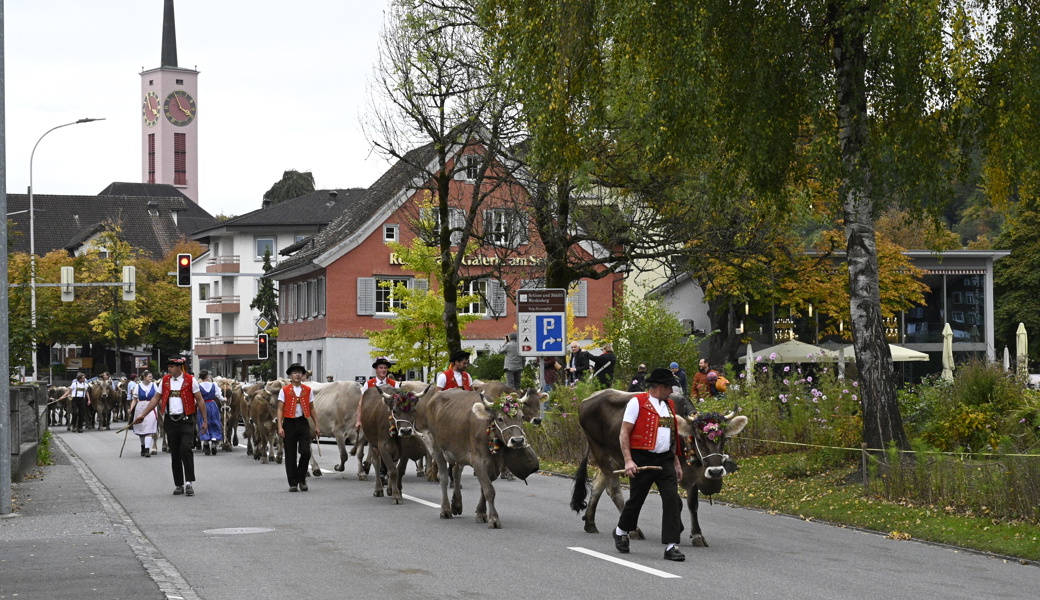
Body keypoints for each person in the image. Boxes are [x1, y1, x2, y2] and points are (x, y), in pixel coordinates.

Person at [613, 367, 685, 562]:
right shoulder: (637, 402)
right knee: (637, 500)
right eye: (669, 387)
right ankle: (621, 530)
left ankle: (671, 545)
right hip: (642, 457)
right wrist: (628, 460)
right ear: (660, 387)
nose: (671, 391)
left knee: (672, 499)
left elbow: (672, 436)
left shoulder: (669, 405)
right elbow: (624, 433)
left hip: (665, 459)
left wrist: (676, 462)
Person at [134, 356, 207, 496]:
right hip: (170, 421)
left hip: (186, 420)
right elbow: (156, 398)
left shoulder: (190, 380)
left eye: (172, 366)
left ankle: (189, 482)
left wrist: (204, 421)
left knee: (185, 448)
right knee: (175, 453)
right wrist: (143, 414)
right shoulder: (165, 380)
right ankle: (179, 484)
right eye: (168, 366)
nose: (169, 369)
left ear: (179, 367)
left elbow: (200, 400)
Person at [278, 363, 320, 492]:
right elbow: (280, 409)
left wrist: (317, 425)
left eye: (299, 373)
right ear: (290, 375)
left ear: (303, 376)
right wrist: (280, 426)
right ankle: (293, 483)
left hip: (303, 422)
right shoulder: (284, 390)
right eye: (295, 372)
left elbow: (312, 408)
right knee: (290, 454)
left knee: (306, 452)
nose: (297, 375)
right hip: (289, 423)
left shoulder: (308, 390)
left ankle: (301, 478)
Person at [356, 357, 401, 430]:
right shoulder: (368, 384)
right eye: (381, 368)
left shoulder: (394, 384)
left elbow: (399, 404)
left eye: (385, 368)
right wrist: (358, 421)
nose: (383, 370)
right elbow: (361, 403)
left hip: (389, 421)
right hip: (371, 419)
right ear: (376, 369)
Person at [129, 371, 158, 457]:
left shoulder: (154, 385)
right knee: (141, 429)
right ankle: (143, 446)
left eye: (151, 376)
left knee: (149, 428)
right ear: (144, 377)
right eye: (149, 376)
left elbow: (158, 397)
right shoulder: (138, 386)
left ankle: (147, 449)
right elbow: (135, 399)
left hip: (151, 407)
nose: (151, 378)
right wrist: (131, 408)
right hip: (140, 408)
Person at [197, 370, 225, 456]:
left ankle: (206, 443)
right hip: (212, 405)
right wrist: (224, 399)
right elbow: (219, 396)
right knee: (214, 422)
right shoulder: (214, 385)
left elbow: (196, 398)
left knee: (203, 422)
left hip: (202, 406)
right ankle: (214, 441)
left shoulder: (198, 386)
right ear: (207, 376)